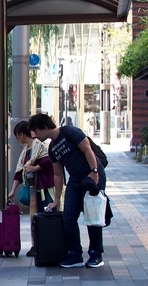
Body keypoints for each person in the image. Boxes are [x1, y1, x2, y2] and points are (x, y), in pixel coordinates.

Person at [27, 112, 106, 268]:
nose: (34, 135)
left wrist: (94, 173)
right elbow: (57, 175)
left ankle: (96, 255)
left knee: (93, 216)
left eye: (36, 131)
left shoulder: (70, 132)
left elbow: (88, 150)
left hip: (92, 176)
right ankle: (75, 254)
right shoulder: (52, 148)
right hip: (75, 181)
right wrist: (56, 200)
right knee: (68, 218)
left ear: (44, 127)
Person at [7, 120, 54, 257]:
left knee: (46, 217)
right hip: (33, 190)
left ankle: (48, 245)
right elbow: (18, 172)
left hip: (45, 188)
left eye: (17, 135)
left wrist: (35, 167)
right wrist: (13, 191)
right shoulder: (25, 151)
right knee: (34, 218)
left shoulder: (40, 146)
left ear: (21, 134)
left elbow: (49, 161)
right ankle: (37, 245)